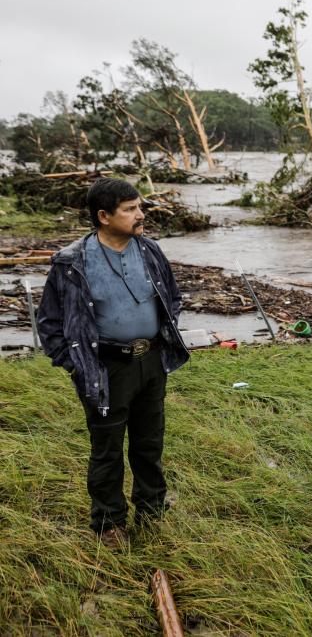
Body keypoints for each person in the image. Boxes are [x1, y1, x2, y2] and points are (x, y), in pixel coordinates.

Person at [36, 177, 190, 546]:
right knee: (107, 449)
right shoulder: (72, 262)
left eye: (140, 207)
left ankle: (152, 510)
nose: (141, 214)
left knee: (149, 443)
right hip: (105, 369)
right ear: (104, 216)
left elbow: (172, 298)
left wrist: (162, 341)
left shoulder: (150, 250)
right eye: (130, 209)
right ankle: (109, 524)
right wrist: (75, 364)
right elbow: (49, 323)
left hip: (151, 362)